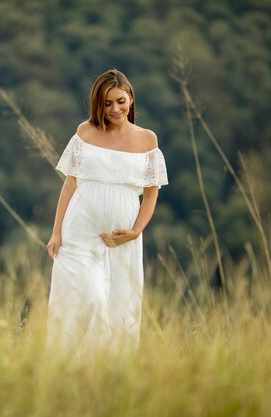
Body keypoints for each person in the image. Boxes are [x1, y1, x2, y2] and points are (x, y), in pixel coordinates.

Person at [46, 69, 168, 357]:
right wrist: (56, 232)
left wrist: (136, 231)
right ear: (97, 104)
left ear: (131, 99)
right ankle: (69, 366)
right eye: (107, 103)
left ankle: (107, 374)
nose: (115, 109)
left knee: (117, 304)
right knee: (90, 299)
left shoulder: (147, 140)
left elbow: (151, 194)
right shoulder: (85, 132)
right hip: (79, 233)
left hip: (121, 239)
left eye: (120, 101)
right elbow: (70, 184)